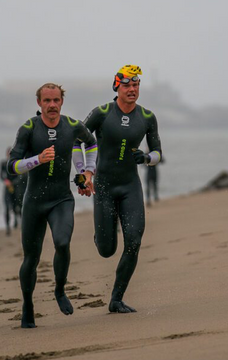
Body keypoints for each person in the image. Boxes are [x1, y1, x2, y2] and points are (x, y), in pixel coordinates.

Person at [8, 83, 97, 328]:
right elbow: (11, 165)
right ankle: (28, 305)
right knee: (31, 259)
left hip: (61, 199)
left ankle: (59, 290)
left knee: (62, 242)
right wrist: (37, 159)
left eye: (56, 100)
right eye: (47, 101)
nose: (52, 105)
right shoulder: (29, 128)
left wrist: (86, 174)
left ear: (61, 102)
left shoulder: (72, 126)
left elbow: (90, 144)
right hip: (34, 201)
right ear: (39, 103)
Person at [76, 65, 162, 314]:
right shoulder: (101, 113)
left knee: (134, 241)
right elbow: (77, 141)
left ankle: (116, 299)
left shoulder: (147, 117)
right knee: (106, 250)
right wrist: (83, 172)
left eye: (136, 85)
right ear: (117, 87)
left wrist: (146, 158)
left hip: (130, 187)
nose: (132, 90)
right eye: (127, 85)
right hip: (104, 187)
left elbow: (157, 152)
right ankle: (102, 232)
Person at [0, 147, 20, 236]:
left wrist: (13, 183)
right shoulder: (3, 163)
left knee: (16, 207)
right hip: (7, 189)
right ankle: (7, 227)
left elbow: (20, 177)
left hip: (16, 189)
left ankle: (16, 220)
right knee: (7, 208)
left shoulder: (17, 164)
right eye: (8, 153)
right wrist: (5, 181)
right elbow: (0, 175)